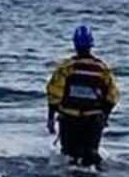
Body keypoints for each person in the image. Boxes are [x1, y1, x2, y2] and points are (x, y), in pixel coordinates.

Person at [46, 25, 119, 169]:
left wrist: (50, 118)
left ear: (75, 44)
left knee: (69, 156)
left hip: (69, 118)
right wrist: (105, 117)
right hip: (93, 120)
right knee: (91, 154)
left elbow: (54, 95)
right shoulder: (102, 69)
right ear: (91, 45)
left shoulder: (66, 67)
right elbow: (112, 97)